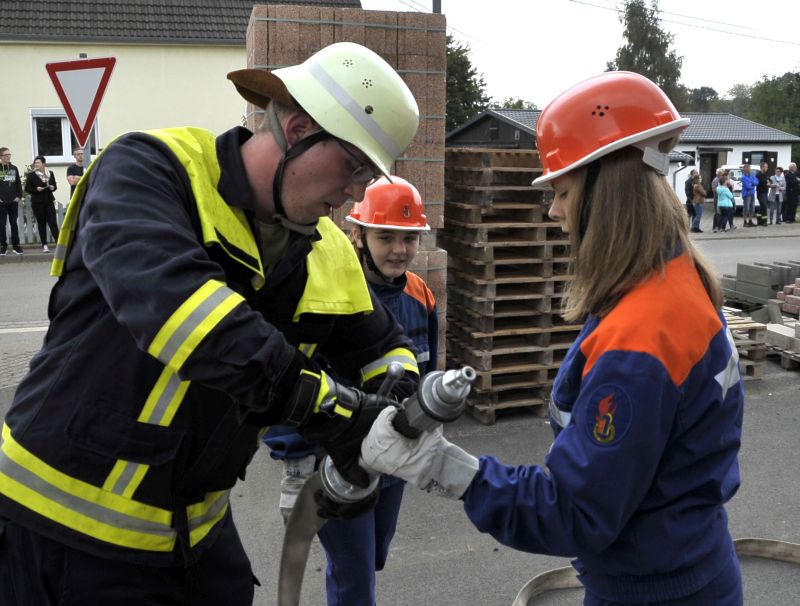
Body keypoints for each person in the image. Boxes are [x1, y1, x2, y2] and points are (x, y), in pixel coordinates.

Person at [0, 41, 422, 605]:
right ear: (298, 129)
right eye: (353, 167)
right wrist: (330, 408)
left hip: (193, 532)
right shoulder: (151, 170)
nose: (355, 193)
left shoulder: (324, 248)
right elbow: (187, 317)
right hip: (64, 525)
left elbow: (381, 343)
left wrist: (399, 394)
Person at [361, 71, 745, 606]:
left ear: (605, 190)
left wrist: (443, 466)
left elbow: (575, 512)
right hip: (686, 567)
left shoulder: (642, 338)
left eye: (562, 190)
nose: (553, 211)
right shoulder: (677, 278)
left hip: (653, 591)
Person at [266, 176, 439, 605]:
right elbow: (286, 375)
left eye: (409, 238)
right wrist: (295, 458)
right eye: (386, 236)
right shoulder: (329, 293)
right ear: (356, 234)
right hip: (336, 456)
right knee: (355, 572)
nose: (400, 249)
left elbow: (428, 365)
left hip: (396, 449)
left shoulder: (422, 295)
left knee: (374, 553)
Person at [24, 155, 60, 252]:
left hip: (48, 201)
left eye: (38, 163)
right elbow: (27, 188)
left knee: (53, 223)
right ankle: (44, 245)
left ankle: (59, 244)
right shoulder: (31, 175)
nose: (36, 165)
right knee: (41, 223)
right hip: (37, 202)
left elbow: (55, 186)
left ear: (43, 164)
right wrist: (36, 189)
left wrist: (53, 187)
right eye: (35, 163)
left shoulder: (50, 173)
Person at [0, 147, 24, 255]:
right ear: (1, 156)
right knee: (2, 224)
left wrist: (19, 196)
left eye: (9, 154)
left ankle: (16, 246)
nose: (8, 156)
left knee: (14, 223)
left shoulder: (14, 168)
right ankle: (3, 246)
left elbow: (18, 183)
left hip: (13, 201)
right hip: (1, 202)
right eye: (6, 155)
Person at [711, 167, 724, 233]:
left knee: (718, 212)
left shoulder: (720, 179)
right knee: (717, 213)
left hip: (719, 198)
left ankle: (716, 226)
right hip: (717, 198)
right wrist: (720, 190)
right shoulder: (716, 180)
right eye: (722, 173)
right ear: (719, 174)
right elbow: (713, 189)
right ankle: (716, 226)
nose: (723, 175)